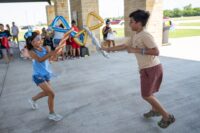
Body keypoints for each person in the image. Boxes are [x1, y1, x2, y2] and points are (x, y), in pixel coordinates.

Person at [101, 9, 175, 128]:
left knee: (146, 95)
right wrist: (107, 49)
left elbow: (156, 51)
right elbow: (124, 46)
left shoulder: (145, 35)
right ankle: (155, 110)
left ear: (139, 23)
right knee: (149, 93)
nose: (129, 24)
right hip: (146, 69)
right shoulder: (135, 35)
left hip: (152, 68)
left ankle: (167, 116)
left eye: (131, 21)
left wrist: (136, 50)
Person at [26, 31, 63, 121]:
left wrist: (56, 53)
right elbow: (39, 60)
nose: (40, 41)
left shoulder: (45, 48)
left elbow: (51, 59)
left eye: (40, 39)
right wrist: (49, 54)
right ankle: (51, 114)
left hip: (46, 74)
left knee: (48, 93)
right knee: (52, 93)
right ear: (32, 42)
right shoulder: (31, 52)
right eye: (37, 39)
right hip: (38, 75)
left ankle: (33, 99)